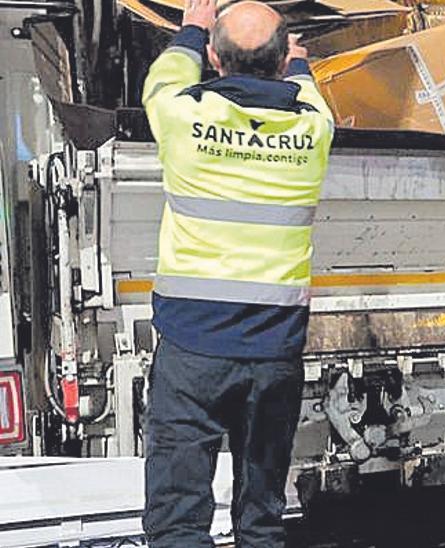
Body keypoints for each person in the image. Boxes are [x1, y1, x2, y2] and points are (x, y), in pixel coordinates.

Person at [140, 0, 334, 545]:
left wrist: (189, 31)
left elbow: (164, 80)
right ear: (281, 61)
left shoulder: (182, 118)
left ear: (213, 60)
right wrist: (298, 64)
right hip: (273, 355)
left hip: (193, 350)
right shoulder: (314, 132)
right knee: (262, 514)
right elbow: (309, 90)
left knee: (178, 515)